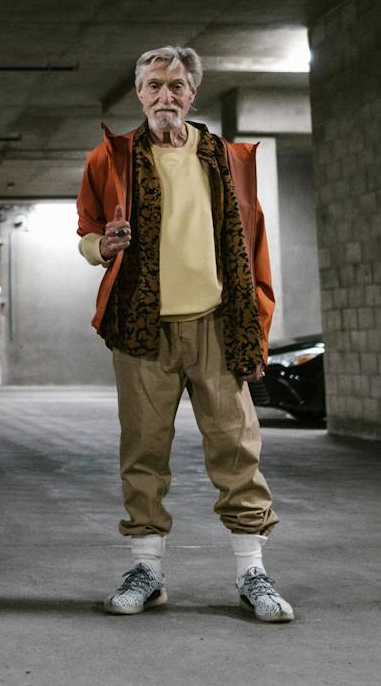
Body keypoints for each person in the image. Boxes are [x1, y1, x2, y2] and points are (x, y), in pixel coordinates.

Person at [75, 45, 295, 623]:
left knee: (237, 447)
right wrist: (102, 247)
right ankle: (147, 570)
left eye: (175, 86)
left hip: (218, 326)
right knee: (143, 451)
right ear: (139, 93)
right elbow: (87, 233)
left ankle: (253, 573)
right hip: (141, 330)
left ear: (192, 92)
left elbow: (255, 248)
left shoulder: (228, 159)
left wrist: (259, 328)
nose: (163, 97)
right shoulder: (110, 159)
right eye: (152, 86)